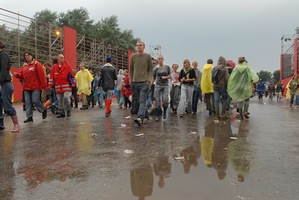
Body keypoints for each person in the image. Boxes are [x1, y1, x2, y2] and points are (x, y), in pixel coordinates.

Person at [14, 51, 48, 123]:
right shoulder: (24, 66)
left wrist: (44, 85)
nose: (27, 57)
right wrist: (17, 75)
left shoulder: (37, 64)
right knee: (28, 102)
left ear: (32, 56)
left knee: (35, 100)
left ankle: (42, 109)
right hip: (26, 87)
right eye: (26, 56)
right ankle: (29, 117)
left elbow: (42, 76)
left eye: (29, 55)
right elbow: (21, 74)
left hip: (35, 87)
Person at [129, 41, 153, 126]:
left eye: (140, 45)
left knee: (142, 100)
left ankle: (140, 118)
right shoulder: (133, 57)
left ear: (144, 47)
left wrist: (149, 81)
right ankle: (147, 116)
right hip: (135, 82)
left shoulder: (148, 57)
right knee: (139, 101)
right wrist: (130, 81)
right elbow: (131, 69)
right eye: (137, 45)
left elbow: (150, 70)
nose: (138, 47)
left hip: (144, 83)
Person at [0, 41, 20, 132]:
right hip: (3, 83)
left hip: (5, 83)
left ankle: (16, 124)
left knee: (7, 106)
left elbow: (4, 70)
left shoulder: (3, 55)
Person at [48, 54, 75, 118]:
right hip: (58, 87)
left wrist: (73, 83)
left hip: (66, 86)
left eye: (63, 58)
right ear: (58, 59)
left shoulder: (67, 66)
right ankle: (61, 112)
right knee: (60, 100)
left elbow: (72, 75)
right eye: (61, 58)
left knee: (66, 98)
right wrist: (50, 85)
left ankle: (68, 110)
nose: (63, 59)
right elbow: (51, 77)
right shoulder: (54, 68)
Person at [150, 55, 171, 121]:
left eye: (161, 59)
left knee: (165, 100)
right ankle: (158, 115)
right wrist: (150, 85)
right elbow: (153, 77)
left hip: (165, 85)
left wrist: (166, 77)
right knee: (157, 101)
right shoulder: (155, 68)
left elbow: (170, 75)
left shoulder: (167, 67)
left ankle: (164, 110)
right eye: (159, 59)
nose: (160, 60)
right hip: (158, 85)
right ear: (157, 60)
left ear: (163, 59)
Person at [213, 56, 229, 123]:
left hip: (215, 86)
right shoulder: (225, 68)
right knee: (224, 100)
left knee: (216, 100)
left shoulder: (214, 67)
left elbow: (212, 77)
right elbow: (226, 78)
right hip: (222, 86)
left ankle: (217, 115)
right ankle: (223, 114)